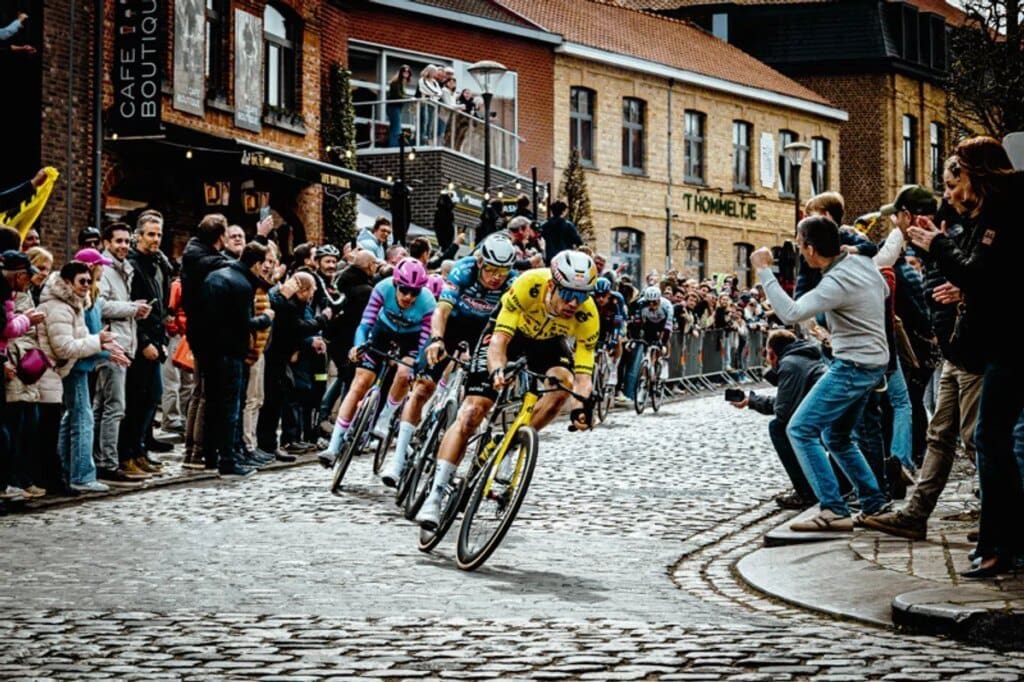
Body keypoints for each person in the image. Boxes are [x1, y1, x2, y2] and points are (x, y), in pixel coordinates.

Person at [906, 136, 1024, 577]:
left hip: (1011, 344)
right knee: (995, 441)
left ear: (975, 175)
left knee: (992, 441)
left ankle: (1000, 545)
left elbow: (981, 273)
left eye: (953, 182)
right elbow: (983, 277)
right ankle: (1002, 539)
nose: (949, 193)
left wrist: (937, 245)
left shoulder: (1005, 214)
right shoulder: (984, 217)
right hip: (997, 343)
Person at [415, 250, 599, 529]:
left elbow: (584, 376)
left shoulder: (588, 315)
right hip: (509, 333)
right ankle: (436, 494)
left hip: (547, 343)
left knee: (564, 385)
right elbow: (499, 342)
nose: (575, 302)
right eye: (569, 293)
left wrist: (580, 408)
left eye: (583, 295)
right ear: (552, 285)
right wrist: (497, 370)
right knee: (473, 411)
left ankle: (511, 444)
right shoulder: (529, 284)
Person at [751, 216, 891, 532]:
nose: (800, 253)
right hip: (872, 362)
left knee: (800, 429)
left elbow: (790, 313)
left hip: (853, 365)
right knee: (836, 436)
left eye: (800, 246)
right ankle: (874, 503)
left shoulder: (835, 281)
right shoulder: (860, 263)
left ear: (812, 250)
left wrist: (763, 270)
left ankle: (833, 509)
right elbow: (881, 290)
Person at [379, 234, 518, 488]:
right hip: (453, 325)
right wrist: (436, 339)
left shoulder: (512, 282)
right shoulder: (463, 270)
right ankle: (397, 459)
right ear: (479, 263)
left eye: (503, 271)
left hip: (484, 333)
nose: (497, 277)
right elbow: (441, 311)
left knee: (475, 405)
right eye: (491, 270)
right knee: (422, 387)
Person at [318, 258, 435, 464]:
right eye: (404, 289)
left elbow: (425, 342)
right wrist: (358, 346)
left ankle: (385, 418)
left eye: (414, 292)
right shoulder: (382, 288)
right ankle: (334, 445)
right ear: (395, 284)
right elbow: (365, 324)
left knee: (404, 372)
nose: (408, 296)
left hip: (412, 338)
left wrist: (418, 364)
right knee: (360, 382)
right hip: (382, 331)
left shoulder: (428, 303)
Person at [37, 261, 129, 494]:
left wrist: (105, 349)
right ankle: (80, 475)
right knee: (80, 419)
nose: (87, 285)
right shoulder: (59, 307)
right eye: (82, 281)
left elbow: (83, 337)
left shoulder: (75, 304)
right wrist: (99, 342)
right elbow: (65, 347)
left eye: (89, 281)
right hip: (56, 370)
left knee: (71, 419)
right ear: (68, 282)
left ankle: (66, 473)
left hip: (65, 369)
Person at [196, 242, 275, 477]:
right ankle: (228, 460)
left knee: (212, 403)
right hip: (230, 351)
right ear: (257, 263)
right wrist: (265, 319)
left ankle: (210, 456)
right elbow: (243, 324)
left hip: (209, 349)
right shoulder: (241, 284)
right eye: (264, 264)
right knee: (230, 407)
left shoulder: (216, 276)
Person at [731, 329, 825, 509]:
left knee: (778, 428)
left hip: (825, 421)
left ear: (772, 352)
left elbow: (784, 411)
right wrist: (752, 400)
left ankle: (806, 491)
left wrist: (753, 401)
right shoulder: (803, 358)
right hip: (824, 415)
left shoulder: (790, 364)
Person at [93, 223, 152, 486]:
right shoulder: (105, 270)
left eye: (127, 241)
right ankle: (108, 462)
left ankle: (99, 459)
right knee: (114, 407)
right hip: (111, 344)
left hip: (123, 343)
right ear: (107, 242)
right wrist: (131, 308)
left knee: (103, 406)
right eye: (119, 241)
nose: (124, 246)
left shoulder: (124, 269)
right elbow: (100, 304)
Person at [119, 211, 172, 475]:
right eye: (151, 234)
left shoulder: (159, 263)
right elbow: (133, 307)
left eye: (159, 234)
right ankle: (127, 454)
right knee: (135, 401)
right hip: (138, 343)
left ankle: (140, 450)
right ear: (138, 235)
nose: (156, 239)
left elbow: (160, 305)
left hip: (156, 339)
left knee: (151, 398)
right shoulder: (133, 264)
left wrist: (161, 339)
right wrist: (144, 342)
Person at [256, 272, 327, 461]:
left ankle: (271, 444)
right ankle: (267, 444)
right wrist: (322, 320)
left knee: (280, 396)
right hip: (274, 355)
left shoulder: (293, 303)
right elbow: (297, 327)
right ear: (302, 290)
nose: (313, 295)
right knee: (270, 400)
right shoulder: (285, 302)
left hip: (283, 356)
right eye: (311, 290)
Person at [1, 250, 47, 499]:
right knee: (13, 429)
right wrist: (27, 321)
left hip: (27, 367)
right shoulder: (7, 295)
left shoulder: (23, 294)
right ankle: (11, 481)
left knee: (27, 427)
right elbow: (8, 329)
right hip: (12, 368)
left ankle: (19, 479)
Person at [593, 277, 627, 391]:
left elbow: (618, 322)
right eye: (598, 295)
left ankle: (613, 367)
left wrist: (614, 339)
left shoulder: (617, 298)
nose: (600, 299)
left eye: (604, 296)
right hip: (600, 321)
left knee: (617, 340)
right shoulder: (590, 298)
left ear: (609, 294)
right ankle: (597, 372)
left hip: (616, 321)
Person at [386, 64, 413, 147]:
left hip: (397, 107)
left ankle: (393, 145)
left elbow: (401, 95)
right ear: (401, 72)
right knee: (396, 128)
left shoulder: (402, 83)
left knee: (395, 127)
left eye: (408, 72)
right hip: (393, 107)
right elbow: (397, 95)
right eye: (404, 71)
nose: (406, 73)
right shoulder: (395, 82)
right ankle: (394, 146)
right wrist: (409, 98)